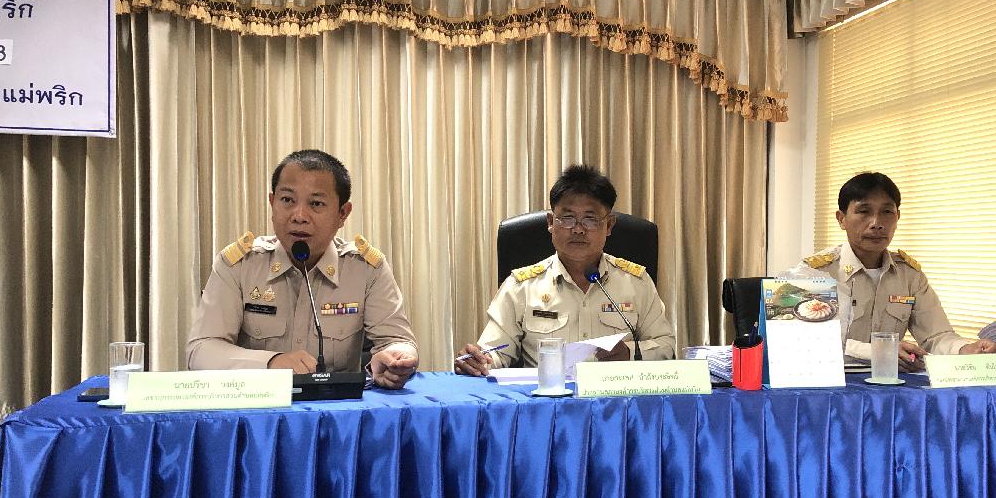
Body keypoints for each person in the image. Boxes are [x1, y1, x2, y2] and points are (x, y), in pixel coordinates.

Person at [186, 149, 419, 389]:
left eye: (316, 203)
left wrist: (395, 358)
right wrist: (270, 363)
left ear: (342, 214)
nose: (299, 216)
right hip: (258, 407)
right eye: (287, 200)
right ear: (272, 203)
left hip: (336, 409)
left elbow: (398, 340)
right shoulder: (239, 265)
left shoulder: (366, 270)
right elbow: (201, 350)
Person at [454, 164, 676, 374]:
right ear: (551, 222)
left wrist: (630, 352)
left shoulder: (636, 282)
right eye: (568, 218)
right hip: (547, 398)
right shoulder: (521, 287)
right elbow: (495, 353)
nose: (578, 230)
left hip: (616, 398)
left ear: (609, 225)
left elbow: (666, 346)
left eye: (590, 219)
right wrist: (478, 361)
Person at [803, 171, 996, 372]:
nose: (876, 223)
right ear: (841, 219)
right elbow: (805, 340)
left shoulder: (909, 275)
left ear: (897, 217)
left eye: (887, 212)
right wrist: (877, 351)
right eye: (864, 211)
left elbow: (936, 335)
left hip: (892, 383)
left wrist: (965, 349)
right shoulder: (814, 273)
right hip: (829, 382)